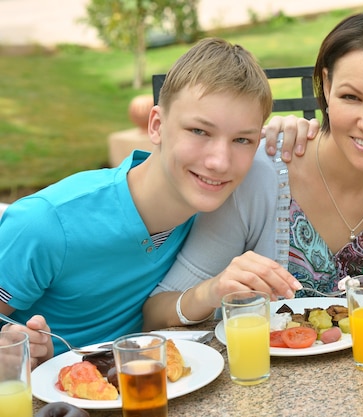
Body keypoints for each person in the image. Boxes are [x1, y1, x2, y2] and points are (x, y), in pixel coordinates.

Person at [143, 10, 363, 329]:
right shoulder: (258, 176)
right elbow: (156, 312)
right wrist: (212, 291)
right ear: (327, 87)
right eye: (351, 97)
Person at [0, 37, 314, 367]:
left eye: (241, 139)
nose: (220, 161)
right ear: (156, 125)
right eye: (199, 131)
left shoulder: (221, 209)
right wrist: (13, 349)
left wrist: (290, 134)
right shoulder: (47, 222)